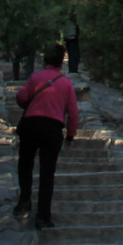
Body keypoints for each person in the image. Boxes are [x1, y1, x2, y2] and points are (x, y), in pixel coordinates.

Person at [14, 44, 78, 228]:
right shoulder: (66, 84)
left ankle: (25, 199)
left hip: (31, 125)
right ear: (61, 62)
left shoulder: (35, 78)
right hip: (53, 129)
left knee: (25, 164)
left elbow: (21, 98)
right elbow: (73, 113)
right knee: (47, 173)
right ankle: (43, 216)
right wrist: (70, 136)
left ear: (45, 59)